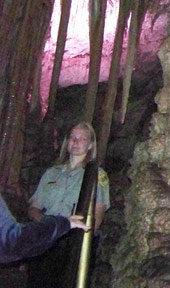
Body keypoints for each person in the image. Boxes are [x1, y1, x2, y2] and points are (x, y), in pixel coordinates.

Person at [26, 122, 110, 287]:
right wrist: (44, 222)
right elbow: (33, 207)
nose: (76, 141)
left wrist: (81, 246)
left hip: (72, 242)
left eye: (82, 138)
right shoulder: (52, 173)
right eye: (72, 137)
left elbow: (97, 215)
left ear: (90, 145)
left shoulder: (96, 175)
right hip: (47, 237)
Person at [0, 193, 87, 264]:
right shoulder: (50, 174)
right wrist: (61, 223)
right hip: (48, 238)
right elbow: (13, 241)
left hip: (65, 242)